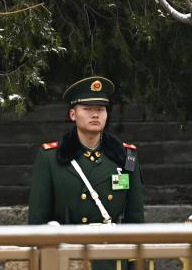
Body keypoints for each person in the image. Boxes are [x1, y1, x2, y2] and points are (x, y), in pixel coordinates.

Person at [28, 76, 144, 270]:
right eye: (87, 109)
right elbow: (38, 221)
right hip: (67, 259)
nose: (95, 114)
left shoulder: (124, 157)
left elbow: (136, 219)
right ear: (73, 114)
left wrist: (135, 265)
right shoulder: (50, 158)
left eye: (100, 109)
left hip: (111, 259)